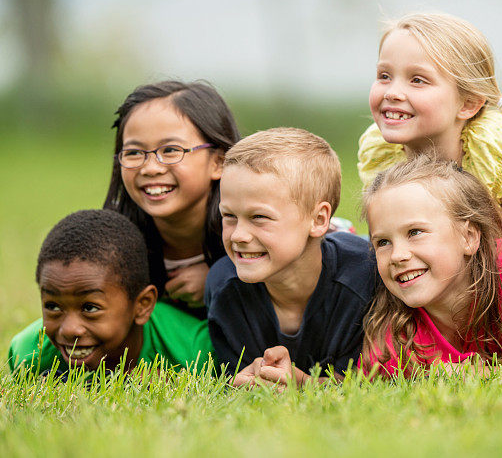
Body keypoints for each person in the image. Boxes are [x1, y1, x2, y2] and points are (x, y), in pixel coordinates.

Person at [204, 128, 377, 387]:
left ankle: (343, 228)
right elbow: (234, 377)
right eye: (229, 216)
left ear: (318, 219)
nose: (238, 235)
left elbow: (367, 384)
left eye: (258, 217)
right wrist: (249, 376)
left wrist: (304, 383)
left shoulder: (365, 280)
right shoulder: (224, 287)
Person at [361, 155, 502, 377]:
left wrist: (479, 375)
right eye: (383, 242)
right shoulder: (393, 345)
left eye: (415, 232)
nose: (397, 256)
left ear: (468, 237)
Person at [357, 12, 502, 240]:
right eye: (384, 76)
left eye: (417, 80)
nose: (392, 92)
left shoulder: (493, 154)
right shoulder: (380, 152)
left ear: (468, 104)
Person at [7, 210, 214, 375]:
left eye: (89, 308)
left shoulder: (196, 350)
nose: (69, 330)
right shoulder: (28, 355)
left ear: (142, 305)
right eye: (53, 306)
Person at [103, 80, 240, 315]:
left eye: (170, 150)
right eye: (134, 153)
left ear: (219, 162)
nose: (151, 168)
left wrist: (222, 280)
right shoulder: (114, 240)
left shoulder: (257, 226)